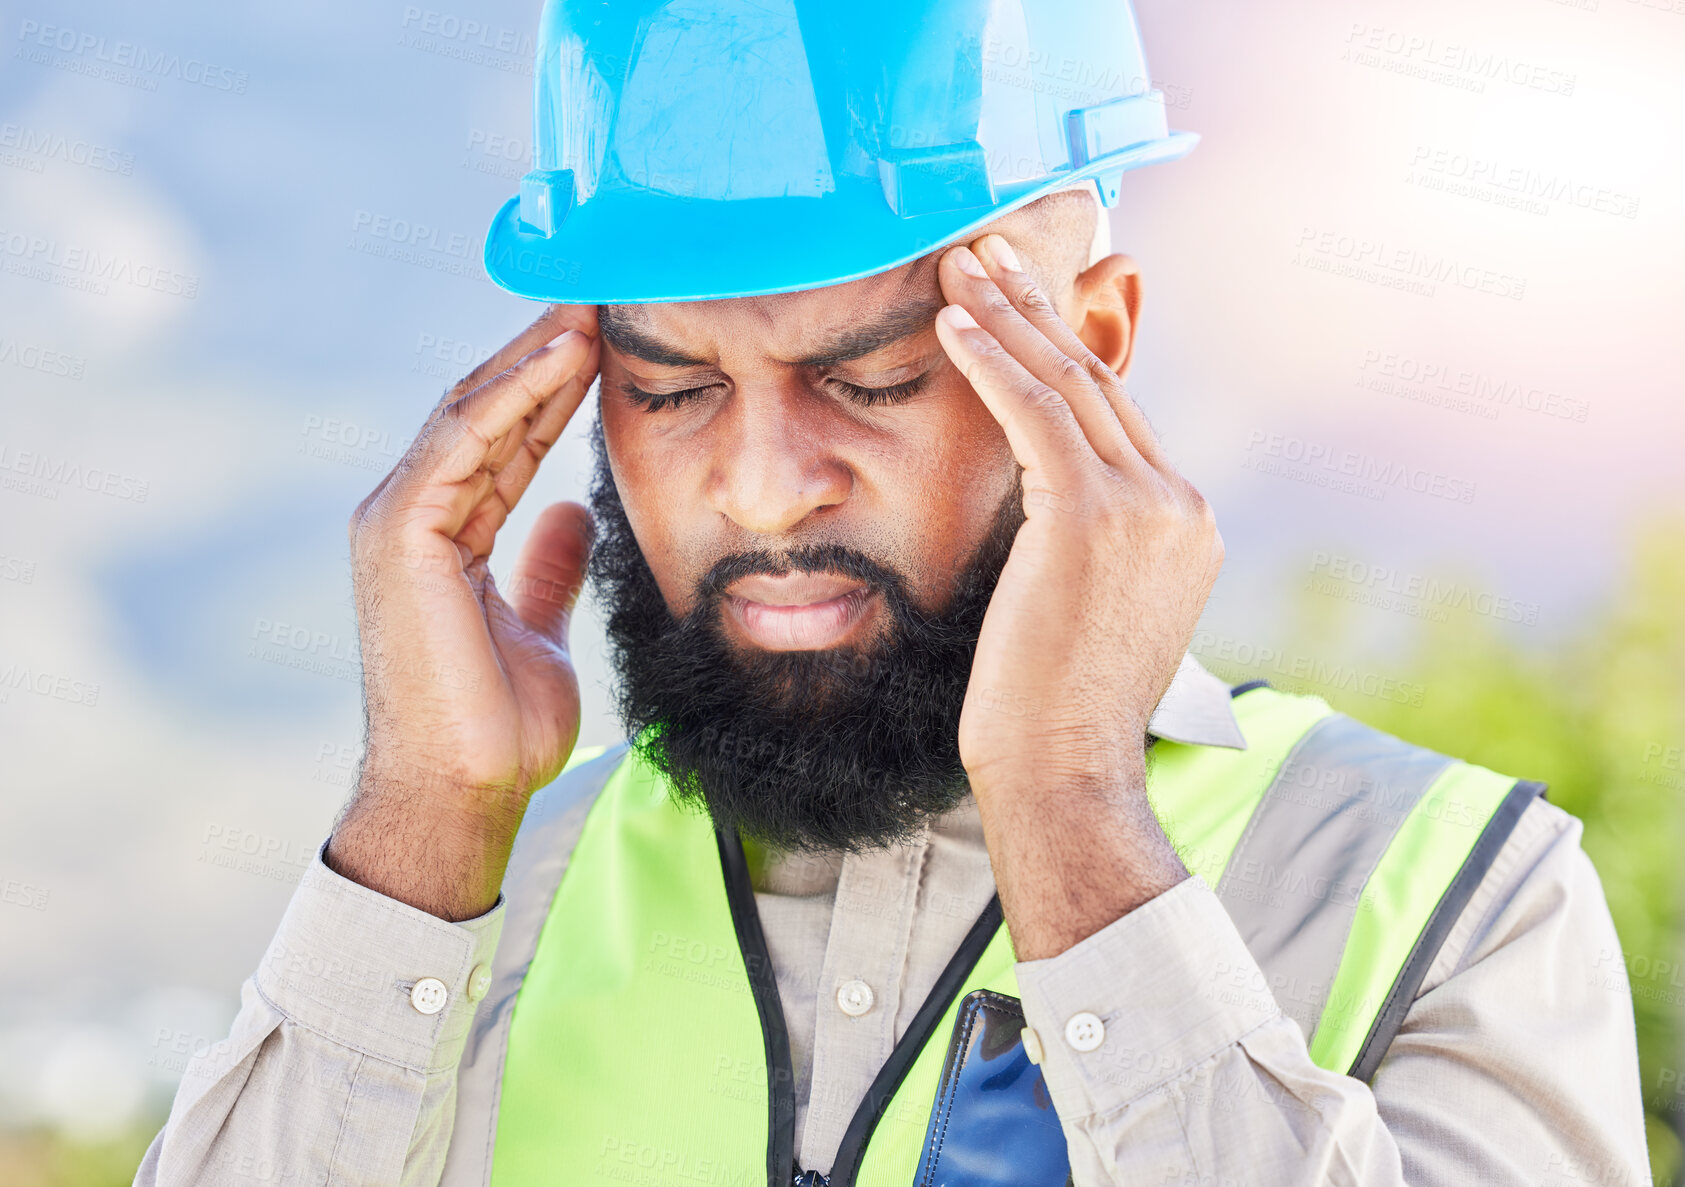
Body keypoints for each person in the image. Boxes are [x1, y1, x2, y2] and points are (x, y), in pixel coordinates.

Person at [137, 2, 1650, 1185]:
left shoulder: (1442, 894)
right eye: (668, 389)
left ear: (1090, 345)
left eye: (872, 378)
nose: (762, 484)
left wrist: (1065, 801)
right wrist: (418, 816)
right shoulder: (464, 907)